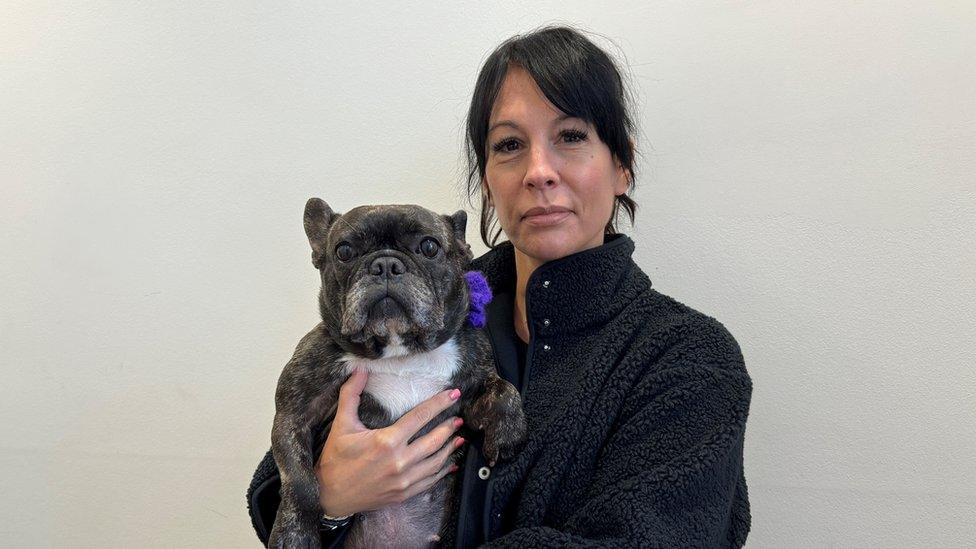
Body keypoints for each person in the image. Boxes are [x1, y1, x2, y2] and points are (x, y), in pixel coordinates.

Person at [247, 24, 752, 548]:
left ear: (621, 165)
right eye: (509, 145)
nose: (539, 171)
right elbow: (275, 495)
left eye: (571, 137)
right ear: (488, 180)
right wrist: (331, 500)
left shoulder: (688, 359)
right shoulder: (431, 315)